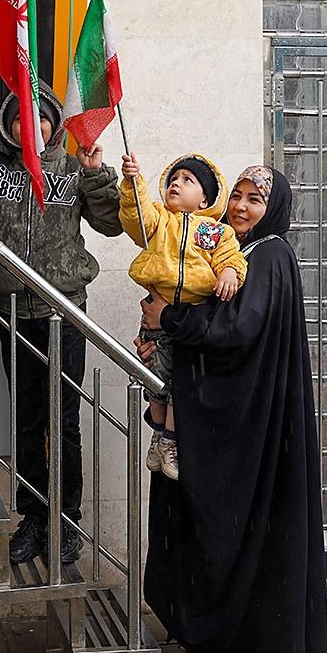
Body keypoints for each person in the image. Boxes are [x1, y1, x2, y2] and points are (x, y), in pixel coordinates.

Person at [0, 66, 123, 565]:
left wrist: (96, 174)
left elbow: (111, 222)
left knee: (64, 420)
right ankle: (32, 517)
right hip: (13, 311)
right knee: (27, 420)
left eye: (39, 118)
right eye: (18, 118)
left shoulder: (73, 168)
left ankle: (67, 521)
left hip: (64, 313)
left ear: (54, 123)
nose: (28, 126)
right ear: (6, 124)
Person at [137, 166, 327, 653]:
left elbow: (237, 327)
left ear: (274, 209)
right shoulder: (231, 249)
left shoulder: (270, 255)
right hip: (231, 417)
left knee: (238, 532)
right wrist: (164, 332)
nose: (241, 207)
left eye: (255, 200)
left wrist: (170, 318)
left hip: (249, 428)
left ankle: (240, 637)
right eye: (237, 196)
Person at [118, 152, 246, 481]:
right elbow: (136, 217)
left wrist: (229, 272)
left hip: (189, 319)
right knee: (155, 378)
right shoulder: (159, 220)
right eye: (174, 179)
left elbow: (230, 256)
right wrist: (133, 184)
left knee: (181, 384)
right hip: (157, 322)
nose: (177, 183)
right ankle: (159, 435)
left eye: (188, 180)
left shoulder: (215, 231)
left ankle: (170, 441)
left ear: (205, 198)